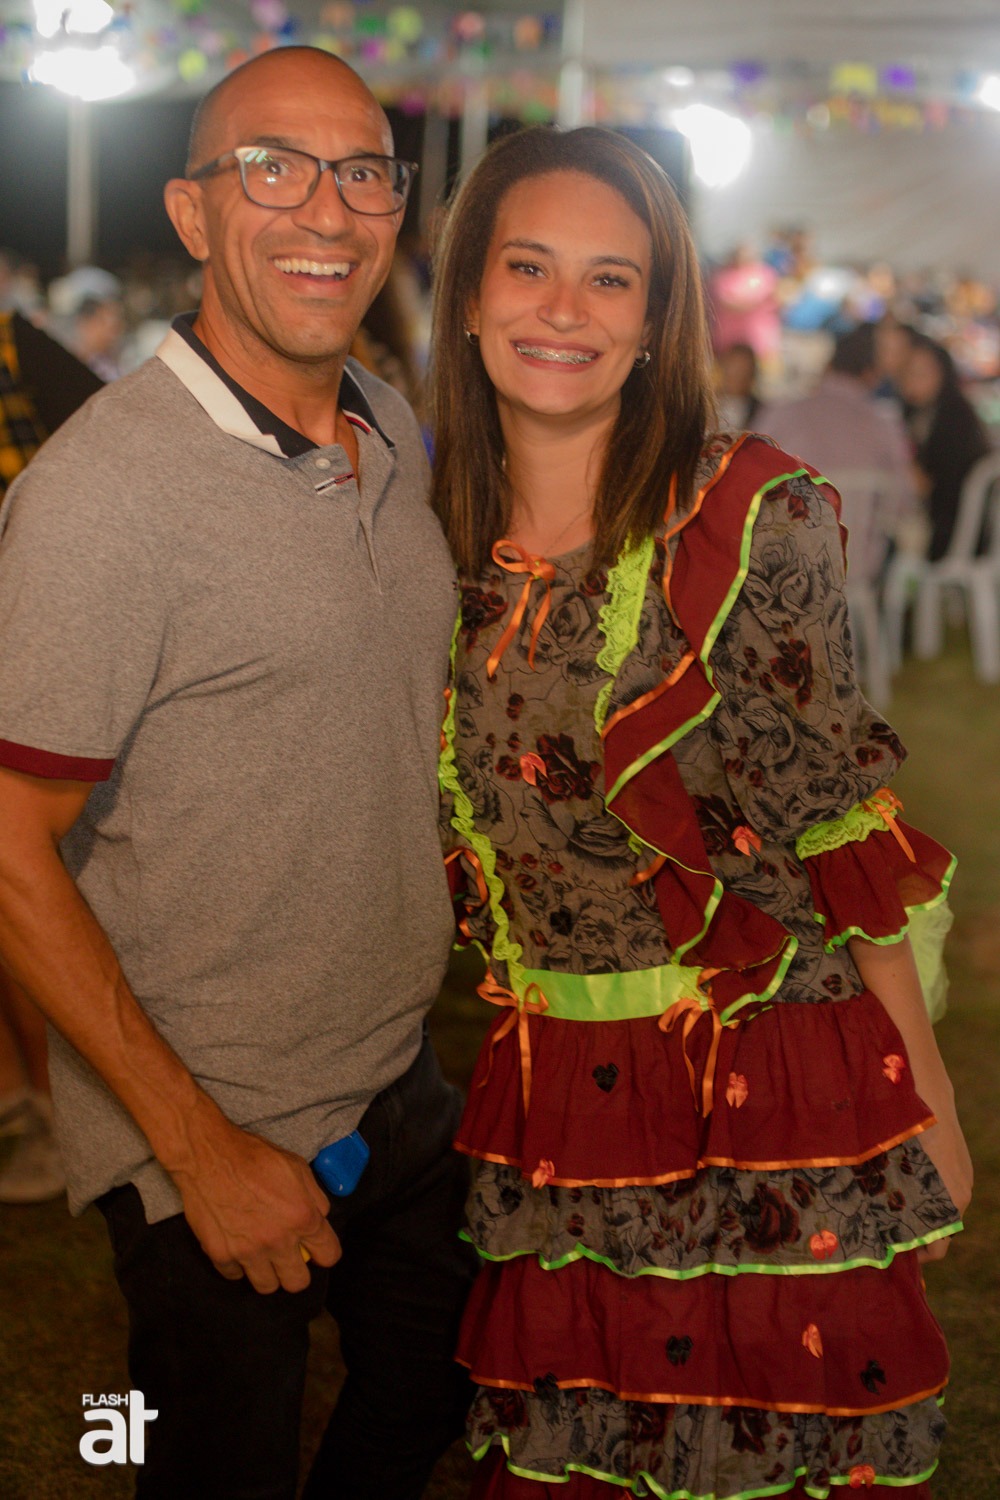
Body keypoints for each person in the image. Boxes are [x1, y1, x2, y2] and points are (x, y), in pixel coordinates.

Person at [430, 126, 972, 1500]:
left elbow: (834, 818)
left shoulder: (747, 518)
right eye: (529, 267)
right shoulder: (421, 530)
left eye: (610, 279)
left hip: (766, 1090)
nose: (564, 308)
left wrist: (925, 1098)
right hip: (557, 1100)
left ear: (658, 319)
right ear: (470, 295)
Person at [0, 46, 473, 1500]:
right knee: (208, 1466)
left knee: (441, 1387)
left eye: (363, 173)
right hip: (209, 1120)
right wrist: (200, 1152)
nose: (327, 210)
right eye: (274, 168)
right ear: (193, 213)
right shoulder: (101, 499)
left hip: (395, 1076)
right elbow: (8, 845)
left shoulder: (386, 428)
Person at [758, 323, 919, 583]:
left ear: (829, 366)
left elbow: (750, 484)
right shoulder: (884, 422)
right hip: (856, 569)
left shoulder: (781, 414)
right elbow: (903, 502)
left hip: (784, 571)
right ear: (872, 374)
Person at [899, 333, 992, 562]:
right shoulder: (918, 415)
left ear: (943, 373)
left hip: (953, 534)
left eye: (922, 373)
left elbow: (931, 485)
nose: (912, 381)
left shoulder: (954, 419)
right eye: (906, 372)